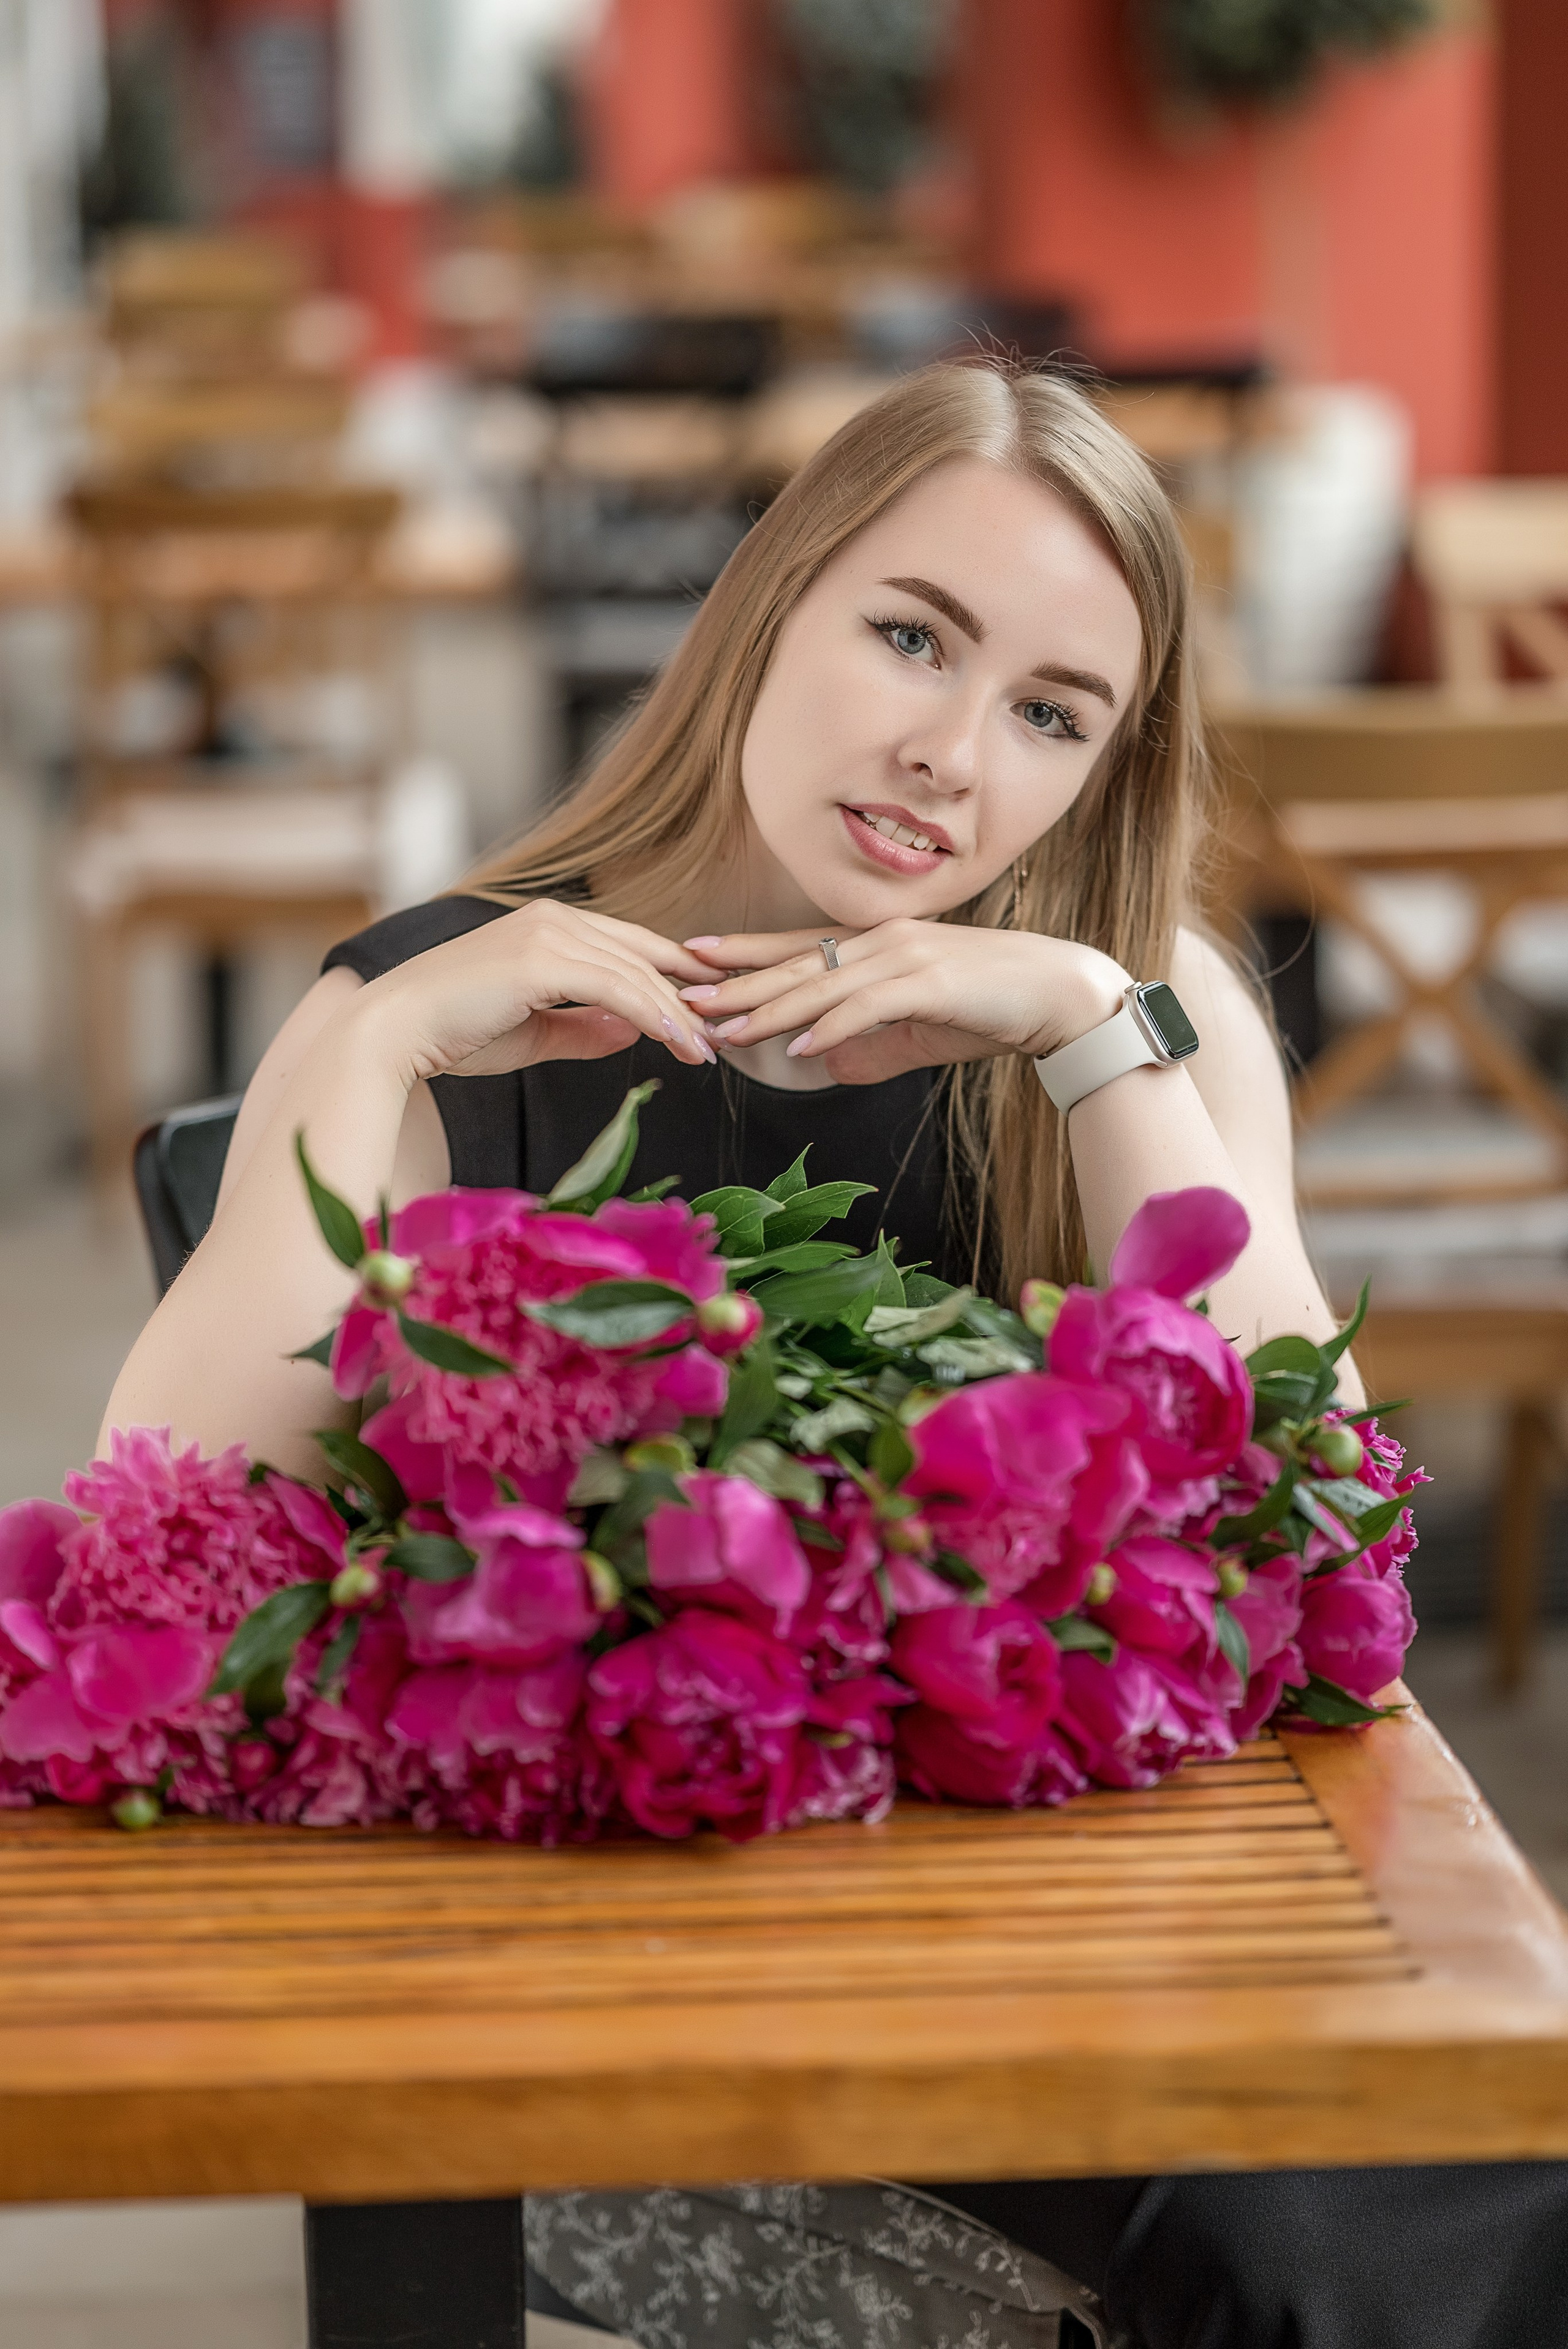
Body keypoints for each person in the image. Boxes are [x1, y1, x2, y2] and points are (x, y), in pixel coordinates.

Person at [100, 360, 1567, 2348]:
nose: (951, 755)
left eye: (1052, 714)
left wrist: (1091, 1042)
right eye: (912, 636)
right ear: (767, 604)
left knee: (1474, 2165)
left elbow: (1329, 1553)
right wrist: (370, 1046)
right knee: (1341, 2240)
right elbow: (157, 1546)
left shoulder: (1143, 1011)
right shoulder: (443, 1012)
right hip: (646, 1938)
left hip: (1093, 1912)